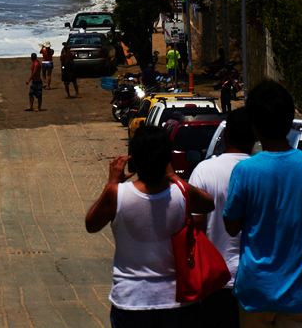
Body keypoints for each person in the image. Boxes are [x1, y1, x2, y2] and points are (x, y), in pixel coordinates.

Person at [224, 80, 302, 328]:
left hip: (255, 291)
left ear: (255, 126)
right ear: (289, 121)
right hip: (299, 293)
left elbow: (231, 226)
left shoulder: (245, 170)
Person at [85, 125, 216, 328]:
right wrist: (175, 177)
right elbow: (208, 203)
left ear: (134, 160)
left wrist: (110, 184)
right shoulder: (181, 193)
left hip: (131, 300)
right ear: (167, 160)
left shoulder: (117, 194)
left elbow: (91, 225)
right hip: (177, 300)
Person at [189, 108, 255, 328]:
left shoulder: (204, 171)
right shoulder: (262, 172)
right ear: (255, 135)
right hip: (257, 281)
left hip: (216, 281)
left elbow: (196, 226)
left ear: (225, 134)